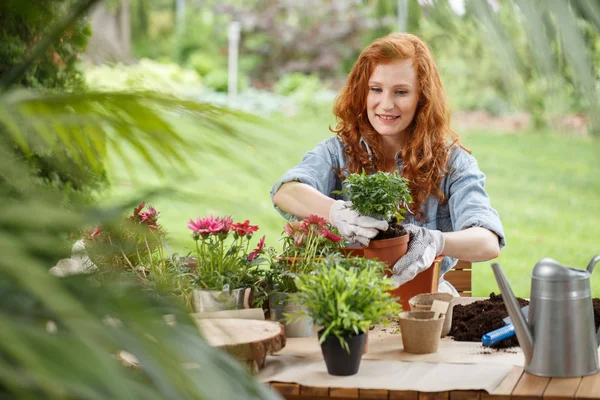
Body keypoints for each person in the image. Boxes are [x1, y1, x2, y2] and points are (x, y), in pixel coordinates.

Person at [270, 33, 505, 295]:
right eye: (376, 89)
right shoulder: (339, 152)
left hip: (420, 300)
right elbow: (287, 190)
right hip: (346, 301)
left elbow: (488, 241)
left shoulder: (452, 164)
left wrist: (434, 241)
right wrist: (338, 212)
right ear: (363, 92)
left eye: (401, 92)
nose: (386, 104)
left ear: (422, 99)